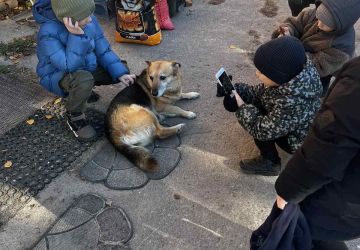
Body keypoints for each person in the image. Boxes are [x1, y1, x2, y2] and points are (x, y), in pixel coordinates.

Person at [275, 56, 360, 250]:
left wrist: (287, 191)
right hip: (352, 202)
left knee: (304, 231)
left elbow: (328, 147)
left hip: (341, 197)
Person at [32, 0, 136, 141]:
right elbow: (69, 65)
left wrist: (120, 73)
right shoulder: (48, 33)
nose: (90, 18)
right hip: (57, 74)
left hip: (84, 68)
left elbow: (103, 50)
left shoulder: (88, 19)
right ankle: (74, 115)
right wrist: (77, 36)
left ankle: (83, 90)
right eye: (84, 16)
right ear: (68, 20)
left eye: (90, 13)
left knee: (120, 69)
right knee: (83, 80)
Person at [223, 36, 322, 176]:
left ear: (279, 76)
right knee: (258, 104)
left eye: (263, 72)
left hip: (301, 143)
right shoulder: (294, 76)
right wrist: (237, 90)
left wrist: (241, 106)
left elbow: (262, 130)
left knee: (257, 114)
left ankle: (270, 163)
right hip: (297, 125)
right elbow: (260, 92)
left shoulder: (292, 102)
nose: (257, 73)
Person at [273, 0, 360, 96]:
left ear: (338, 26)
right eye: (319, 19)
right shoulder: (315, 14)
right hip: (298, 58)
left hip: (320, 75)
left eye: (326, 24)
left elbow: (318, 66)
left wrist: (291, 49)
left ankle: (318, 96)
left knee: (317, 89)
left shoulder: (342, 48)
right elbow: (296, 23)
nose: (319, 24)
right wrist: (288, 32)